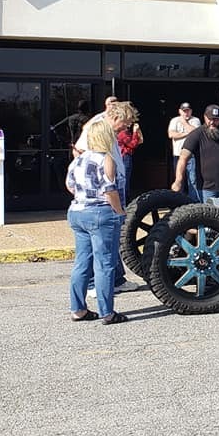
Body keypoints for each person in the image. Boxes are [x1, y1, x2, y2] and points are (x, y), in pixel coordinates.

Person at [73, 100, 142, 296]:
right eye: (126, 123)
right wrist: (93, 185)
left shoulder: (110, 130)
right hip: (102, 192)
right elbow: (79, 151)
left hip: (114, 185)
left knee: (112, 237)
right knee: (102, 239)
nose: (126, 127)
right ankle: (95, 284)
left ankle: (117, 279)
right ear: (115, 117)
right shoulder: (98, 126)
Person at [65, 120, 129, 325]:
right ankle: (107, 312)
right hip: (100, 213)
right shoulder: (106, 159)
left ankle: (78, 309)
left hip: (77, 211)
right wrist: (120, 212)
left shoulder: (77, 160)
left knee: (82, 262)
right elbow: (110, 190)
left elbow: (70, 186)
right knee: (104, 264)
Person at [172, 104, 219, 203]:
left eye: (216, 119)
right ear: (205, 117)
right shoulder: (196, 134)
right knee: (207, 217)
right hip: (205, 189)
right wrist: (178, 180)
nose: (212, 122)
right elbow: (183, 158)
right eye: (210, 119)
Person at [168, 102, 202, 200]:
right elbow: (171, 134)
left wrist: (184, 123)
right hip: (178, 155)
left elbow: (196, 133)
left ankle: (193, 202)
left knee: (193, 180)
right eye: (184, 111)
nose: (186, 113)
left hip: (192, 156)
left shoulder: (196, 120)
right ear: (179, 111)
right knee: (179, 180)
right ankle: (179, 202)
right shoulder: (174, 120)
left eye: (188, 111)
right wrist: (187, 133)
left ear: (191, 111)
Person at [116, 118, 143, 201]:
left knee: (126, 178)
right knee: (125, 179)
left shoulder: (124, 132)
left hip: (125, 156)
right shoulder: (123, 133)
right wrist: (135, 132)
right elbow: (132, 144)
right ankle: (125, 199)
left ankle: (125, 197)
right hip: (125, 156)